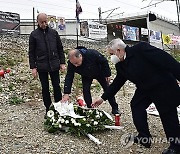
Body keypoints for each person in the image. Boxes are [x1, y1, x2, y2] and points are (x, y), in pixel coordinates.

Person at [92, 38, 180, 154]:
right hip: (145, 89)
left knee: (167, 114)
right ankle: (144, 137)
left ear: (119, 50)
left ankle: (176, 146)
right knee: (136, 106)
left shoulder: (141, 49)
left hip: (162, 86)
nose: (111, 57)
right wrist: (103, 98)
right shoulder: (120, 65)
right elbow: (118, 82)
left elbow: (167, 61)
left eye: (111, 54)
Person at [62, 46, 119, 115]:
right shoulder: (72, 63)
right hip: (86, 75)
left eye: (76, 63)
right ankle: (90, 108)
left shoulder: (92, 54)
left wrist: (107, 74)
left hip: (99, 72)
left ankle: (114, 107)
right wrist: (66, 93)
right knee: (86, 90)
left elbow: (104, 61)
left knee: (107, 89)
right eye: (73, 64)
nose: (75, 66)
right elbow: (69, 77)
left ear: (80, 56)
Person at [28, 13, 66, 115]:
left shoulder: (54, 33)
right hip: (41, 66)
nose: (44, 24)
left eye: (46, 21)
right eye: (42, 22)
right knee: (45, 88)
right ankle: (48, 108)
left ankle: (58, 106)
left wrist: (62, 62)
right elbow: (31, 53)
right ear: (38, 22)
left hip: (54, 64)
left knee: (56, 86)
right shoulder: (33, 35)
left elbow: (60, 48)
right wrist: (33, 67)